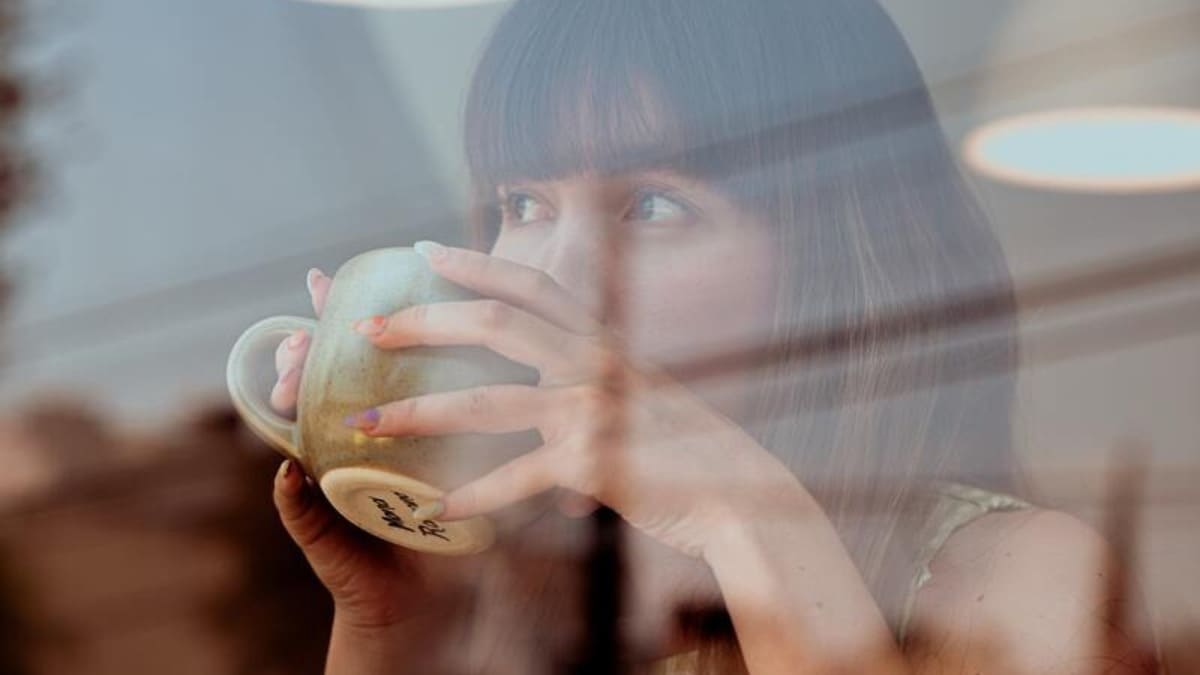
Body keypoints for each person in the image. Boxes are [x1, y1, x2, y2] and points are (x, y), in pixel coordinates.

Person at [266, 1, 1157, 673]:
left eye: (654, 206)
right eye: (521, 203)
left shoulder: (1024, 580)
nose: (557, 277)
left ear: (831, 260)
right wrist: (391, 622)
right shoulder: (531, 584)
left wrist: (735, 509)